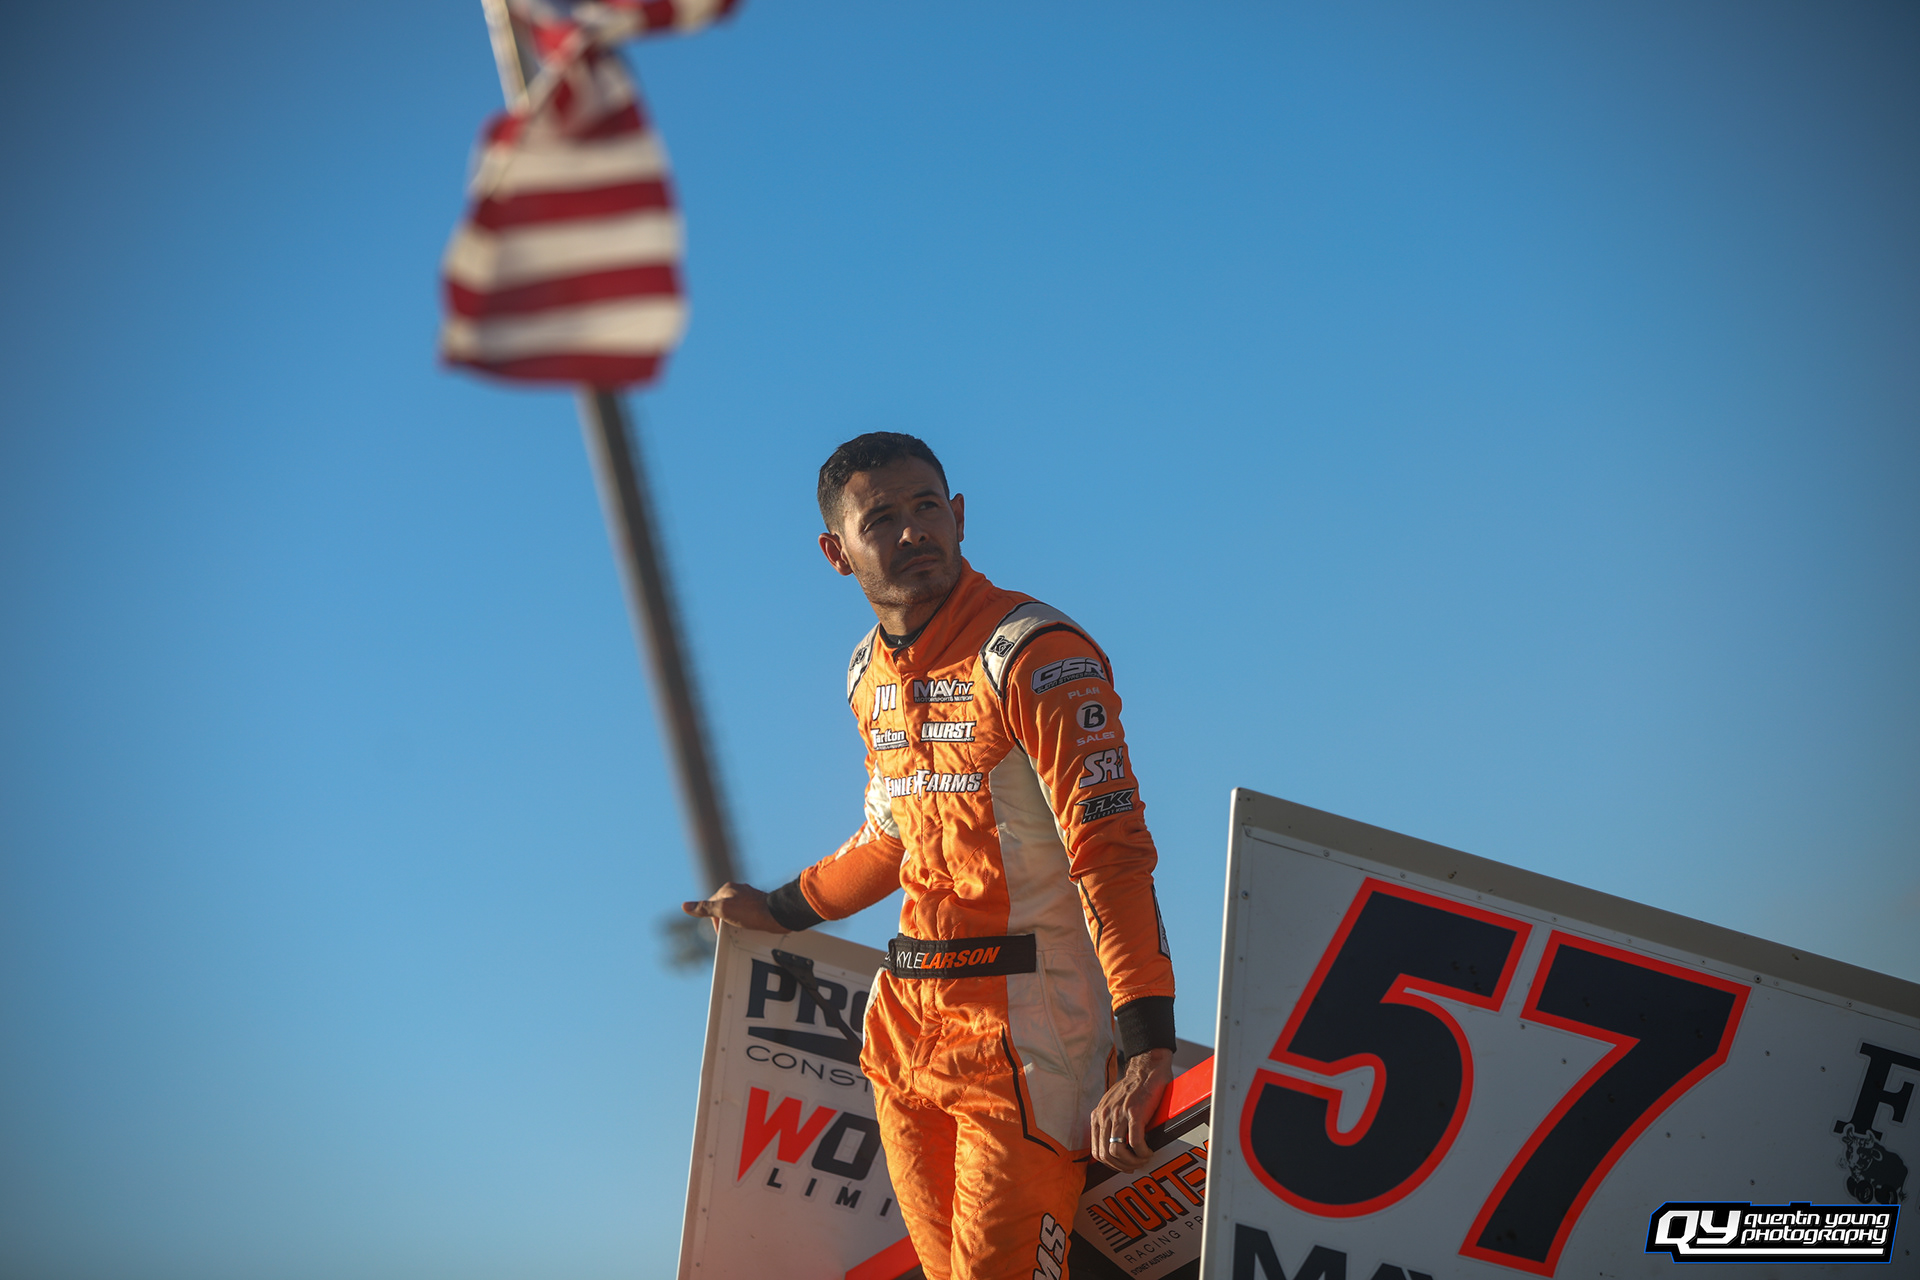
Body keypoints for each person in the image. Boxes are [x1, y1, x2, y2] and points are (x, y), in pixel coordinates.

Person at [684, 432, 1176, 1280]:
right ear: (838, 554)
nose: (913, 533)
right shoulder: (863, 675)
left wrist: (1147, 1046)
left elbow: (1112, 854)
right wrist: (780, 907)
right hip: (905, 1026)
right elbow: (889, 838)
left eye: (926, 510)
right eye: (882, 519)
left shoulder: (1032, 651)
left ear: (958, 517)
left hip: (1028, 1037)